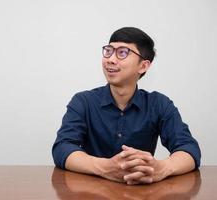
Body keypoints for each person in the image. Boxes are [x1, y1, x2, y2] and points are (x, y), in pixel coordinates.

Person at [52, 27, 201, 185]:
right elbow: (63, 147)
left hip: (141, 192)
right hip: (92, 191)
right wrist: (105, 167)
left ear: (143, 66)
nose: (110, 59)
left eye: (122, 53)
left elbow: (189, 148)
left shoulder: (159, 104)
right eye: (108, 51)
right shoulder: (83, 102)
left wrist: (161, 168)